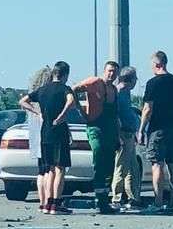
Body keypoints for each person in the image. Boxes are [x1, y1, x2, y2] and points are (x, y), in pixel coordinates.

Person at [20, 61, 76, 214]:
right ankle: (57, 203)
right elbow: (71, 100)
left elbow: (23, 101)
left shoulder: (42, 90)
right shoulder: (65, 89)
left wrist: (37, 113)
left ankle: (47, 204)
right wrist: (62, 115)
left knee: (49, 169)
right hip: (59, 133)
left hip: (45, 134)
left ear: (53, 74)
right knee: (60, 169)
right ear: (65, 75)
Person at [137, 50, 173, 214]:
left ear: (156, 64)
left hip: (158, 129)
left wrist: (141, 129)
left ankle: (158, 203)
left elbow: (147, 109)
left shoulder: (153, 83)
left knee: (157, 165)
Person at [73, 60, 120, 215]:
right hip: (95, 127)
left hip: (111, 130)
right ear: (104, 70)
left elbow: (115, 115)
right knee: (98, 157)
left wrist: (117, 136)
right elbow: (73, 90)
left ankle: (104, 200)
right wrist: (81, 110)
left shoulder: (114, 90)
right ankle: (99, 200)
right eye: (109, 71)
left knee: (109, 166)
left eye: (114, 72)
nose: (111, 74)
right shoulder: (94, 82)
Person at [111, 66, 142, 210]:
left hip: (130, 133)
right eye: (135, 79)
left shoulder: (126, 93)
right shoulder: (119, 93)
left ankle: (133, 198)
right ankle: (116, 198)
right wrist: (118, 136)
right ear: (131, 80)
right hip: (123, 133)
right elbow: (115, 116)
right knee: (121, 167)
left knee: (133, 168)